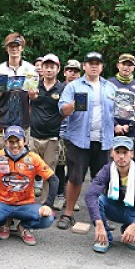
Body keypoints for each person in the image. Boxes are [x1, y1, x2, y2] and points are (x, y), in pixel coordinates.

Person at [56, 52, 117, 230]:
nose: (94, 66)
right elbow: (62, 110)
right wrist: (74, 104)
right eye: (90, 63)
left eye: (97, 63)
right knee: (75, 178)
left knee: (103, 180)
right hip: (78, 139)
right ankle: (68, 214)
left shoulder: (110, 87)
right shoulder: (73, 86)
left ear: (102, 67)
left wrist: (129, 108)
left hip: (103, 140)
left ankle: (101, 215)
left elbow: (119, 112)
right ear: (84, 66)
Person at [0, 126, 57, 246]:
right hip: (3, 203)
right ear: (5, 142)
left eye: (18, 141)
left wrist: (48, 205)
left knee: (48, 219)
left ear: (24, 141)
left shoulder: (33, 158)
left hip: (26, 204)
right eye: (11, 142)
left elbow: (54, 180)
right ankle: (4, 222)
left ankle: (24, 226)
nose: (15, 145)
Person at [86, 136, 135, 253]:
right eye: (117, 152)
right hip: (113, 208)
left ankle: (129, 234)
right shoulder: (106, 170)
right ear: (112, 153)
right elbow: (90, 195)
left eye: (125, 152)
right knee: (98, 199)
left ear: (132, 154)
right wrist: (98, 223)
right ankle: (105, 238)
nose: (121, 156)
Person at [0, 33, 37, 151]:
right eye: (11, 46)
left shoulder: (31, 69)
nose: (14, 49)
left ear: (22, 48)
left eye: (17, 46)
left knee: (23, 159)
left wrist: (33, 95)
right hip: (2, 121)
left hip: (24, 122)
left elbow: (35, 97)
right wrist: (1, 88)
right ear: (6, 49)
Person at [28, 54, 65, 202]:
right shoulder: (33, 85)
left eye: (52, 67)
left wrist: (54, 121)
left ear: (58, 69)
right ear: (41, 69)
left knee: (48, 172)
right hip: (33, 135)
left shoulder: (62, 88)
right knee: (28, 170)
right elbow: (27, 106)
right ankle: (26, 201)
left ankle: (45, 204)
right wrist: (31, 97)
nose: (49, 70)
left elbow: (65, 112)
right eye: (46, 67)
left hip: (52, 137)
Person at [53, 59, 82, 210]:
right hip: (59, 131)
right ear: (64, 72)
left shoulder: (83, 90)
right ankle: (59, 195)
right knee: (59, 165)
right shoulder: (58, 88)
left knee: (73, 167)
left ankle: (70, 197)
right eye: (70, 70)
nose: (72, 74)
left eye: (75, 71)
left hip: (76, 133)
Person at [108, 53, 135, 137]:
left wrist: (130, 125)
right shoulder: (108, 84)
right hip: (111, 130)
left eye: (129, 65)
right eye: (123, 64)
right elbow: (103, 107)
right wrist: (115, 125)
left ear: (133, 67)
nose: (126, 67)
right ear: (118, 65)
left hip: (133, 131)